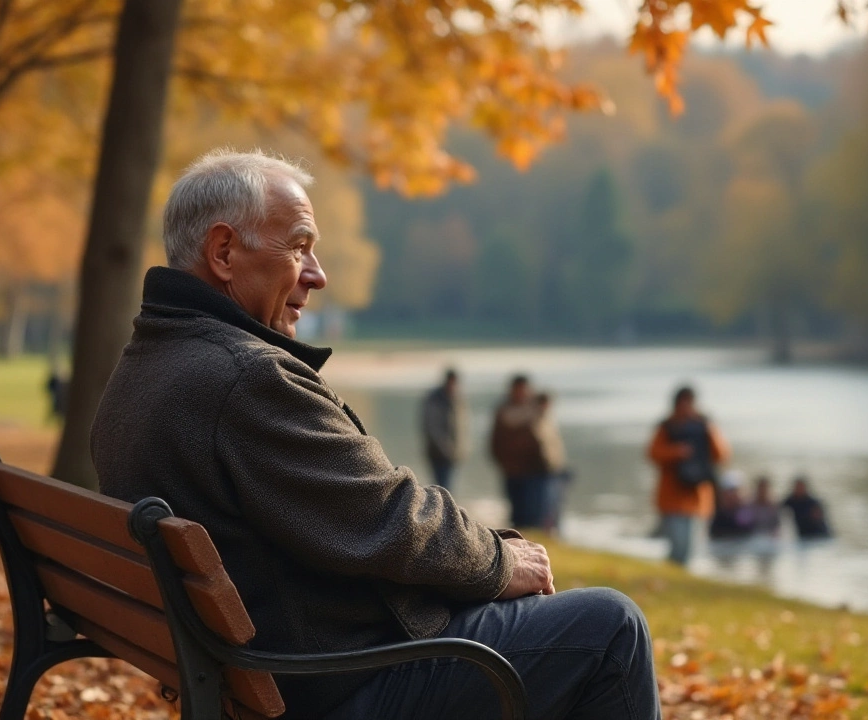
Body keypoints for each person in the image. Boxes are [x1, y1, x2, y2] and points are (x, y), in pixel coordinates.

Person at [91, 149, 659, 720]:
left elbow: (354, 515)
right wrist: (498, 561)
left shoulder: (145, 367)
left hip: (268, 673)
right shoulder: (244, 377)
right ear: (223, 252)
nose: (317, 274)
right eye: (298, 246)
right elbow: (387, 518)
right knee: (611, 628)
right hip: (335, 684)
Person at [648, 386, 731, 565]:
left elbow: (722, 455)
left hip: (697, 499)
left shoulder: (704, 426)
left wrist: (708, 430)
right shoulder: (667, 427)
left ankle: (680, 578)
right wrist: (677, 452)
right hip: (672, 499)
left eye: (689, 403)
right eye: (682, 403)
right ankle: (673, 579)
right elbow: (653, 454)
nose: (686, 408)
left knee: (691, 550)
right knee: (678, 548)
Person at [489, 375, 550, 529]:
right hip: (512, 470)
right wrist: (502, 462)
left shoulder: (535, 410)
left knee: (533, 512)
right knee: (518, 512)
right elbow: (495, 441)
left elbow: (546, 442)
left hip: (534, 471)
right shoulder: (504, 411)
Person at [421, 368, 466, 491]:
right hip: (438, 454)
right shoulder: (435, 399)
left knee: (449, 488)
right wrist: (446, 449)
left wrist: (461, 448)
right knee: (442, 489)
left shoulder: (456, 398)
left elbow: (461, 425)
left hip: (454, 454)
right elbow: (432, 427)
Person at [533, 392, 571, 534]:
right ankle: (548, 530)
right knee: (547, 506)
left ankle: (554, 530)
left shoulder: (548, 420)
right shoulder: (535, 421)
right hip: (544, 472)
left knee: (555, 505)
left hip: (555, 469)